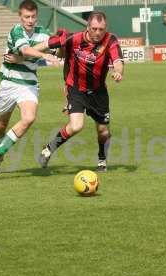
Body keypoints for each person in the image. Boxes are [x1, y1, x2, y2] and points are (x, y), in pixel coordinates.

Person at [35, 11, 124, 172]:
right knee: (76, 126)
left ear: (106, 28)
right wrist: (23, 53)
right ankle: (48, 149)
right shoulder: (73, 38)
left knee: (103, 131)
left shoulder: (110, 40)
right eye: (94, 28)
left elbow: (118, 61)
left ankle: (102, 160)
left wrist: (118, 71)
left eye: (101, 29)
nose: (98, 33)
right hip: (75, 89)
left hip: (98, 92)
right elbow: (46, 44)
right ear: (87, 26)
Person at [0, 0, 59, 174]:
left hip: (29, 83)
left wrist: (60, 43)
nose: (30, 20)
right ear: (20, 16)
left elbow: (56, 49)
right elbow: (26, 50)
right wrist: (45, 56)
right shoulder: (16, 31)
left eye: (33, 16)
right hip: (9, 82)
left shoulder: (42, 33)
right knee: (0, 126)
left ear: (37, 17)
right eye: (26, 16)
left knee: (29, 118)